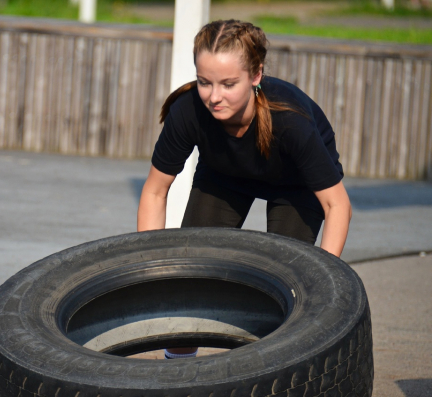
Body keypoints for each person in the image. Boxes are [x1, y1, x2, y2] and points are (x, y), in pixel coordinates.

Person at [137, 19, 352, 360]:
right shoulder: (188, 111)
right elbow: (154, 192)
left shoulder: (291, 122)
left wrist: (321, 279)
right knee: (189, 283)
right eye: (204, 82)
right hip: (225, 174)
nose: (214, 96)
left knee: (285, 288)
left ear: (255, 75)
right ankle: (176, 371)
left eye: (228, 84)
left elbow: (337, 205)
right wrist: (151, 270)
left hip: (294, 185)